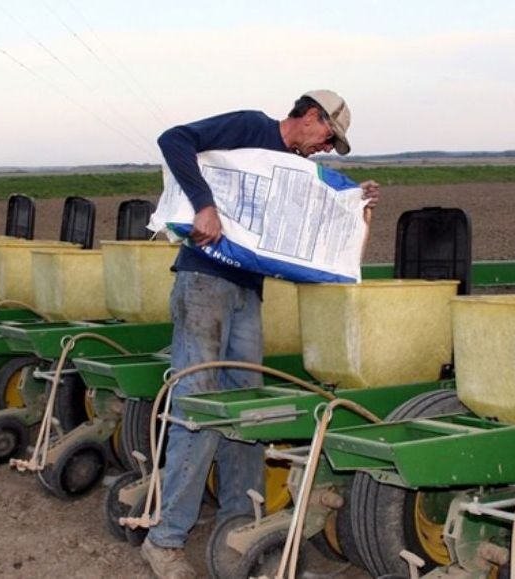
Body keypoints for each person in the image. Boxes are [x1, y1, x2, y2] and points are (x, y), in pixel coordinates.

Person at [141, 90, 380, 579]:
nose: (326, 149)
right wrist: (204, 207)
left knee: (248, 407)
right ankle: (164, 540)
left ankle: (238, 524)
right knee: (197, 405)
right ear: (311, 117)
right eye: (329, 138)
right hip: (204, 281)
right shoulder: (250, 127)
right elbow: (174, 139)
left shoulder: (295, 170)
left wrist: (353, 204)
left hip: (248, 292)